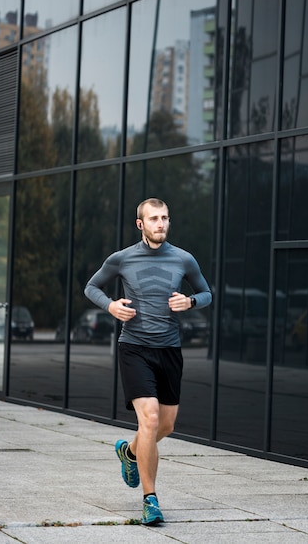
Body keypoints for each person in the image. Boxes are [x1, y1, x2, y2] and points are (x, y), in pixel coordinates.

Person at [84, 197, 212, 526]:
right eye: (154, 219)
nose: (161, 224)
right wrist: (111, 307)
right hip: (134, 348)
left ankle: (129, 452)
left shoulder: (184, 259)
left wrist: (191, 300)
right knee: (151, 419)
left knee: (166, 425)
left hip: (169, 350)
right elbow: (92, 287)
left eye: (165, 218)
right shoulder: (122, 258)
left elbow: (207, 292)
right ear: (141, 224)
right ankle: (150, 500)